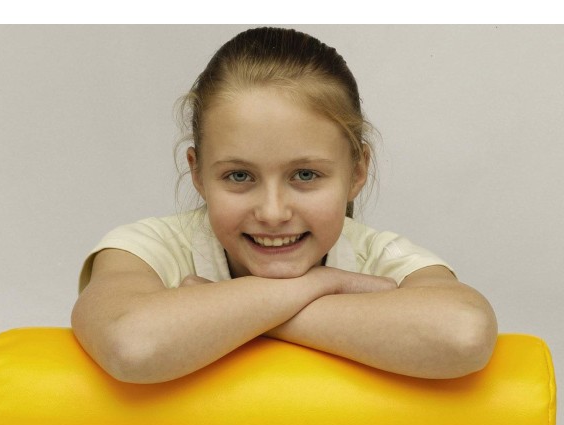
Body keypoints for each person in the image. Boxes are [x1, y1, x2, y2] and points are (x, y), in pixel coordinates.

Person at [72, 27, 497, 384]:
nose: (273, 213)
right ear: (198, 173)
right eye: (239, 176)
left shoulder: (382, 259)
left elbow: (463, 335)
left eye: (305, 175)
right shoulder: (145, 248)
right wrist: (320, 284)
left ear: (357, 171)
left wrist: (235, 311)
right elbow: (131, 344)